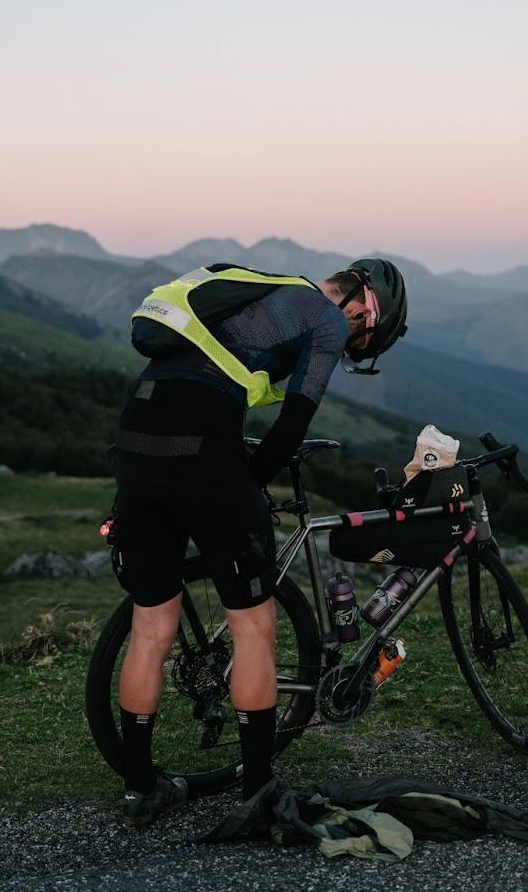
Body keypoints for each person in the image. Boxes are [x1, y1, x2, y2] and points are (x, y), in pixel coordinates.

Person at [111, 258, 408, 824]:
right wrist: (249, 482)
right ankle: (259, 793)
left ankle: (141, 789)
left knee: (151, 626)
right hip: (202, 452)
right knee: (252, 624)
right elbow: (292, 425)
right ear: (364, 307)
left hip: (135, 438)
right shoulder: (322, 319)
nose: (351, 344)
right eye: (365, 337)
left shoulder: (255, 297)